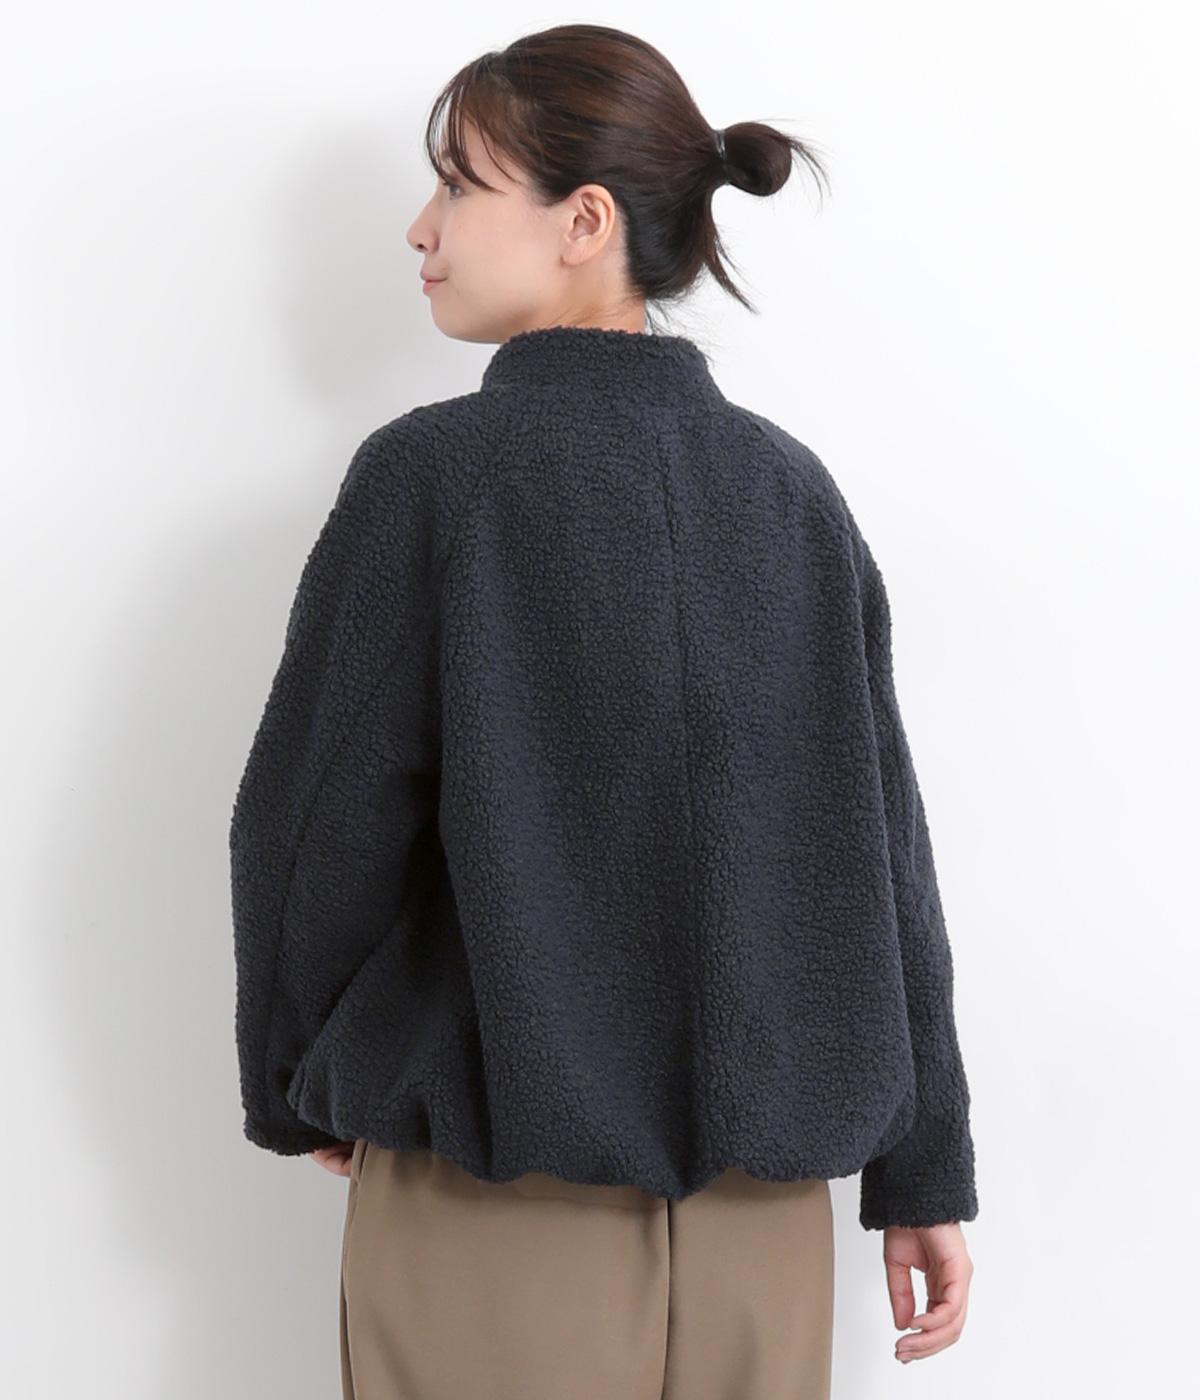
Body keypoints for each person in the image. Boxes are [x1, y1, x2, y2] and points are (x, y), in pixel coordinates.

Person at [229, 22, 978, 1400]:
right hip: (767, 1229)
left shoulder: (435, 479)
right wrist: (924, 1166)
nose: (419, 228)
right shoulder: (790, 493)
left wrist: (302, 1078)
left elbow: (312, 829)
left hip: (494, 1194)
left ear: (584, 221)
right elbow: (883, 854)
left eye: (456, 184)